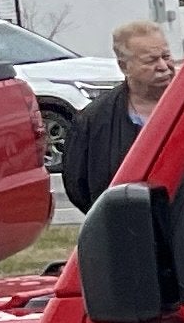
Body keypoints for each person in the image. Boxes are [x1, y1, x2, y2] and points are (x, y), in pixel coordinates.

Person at [63, 20, 175, 209]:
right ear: (124, 66)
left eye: (166, 56)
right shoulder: (95, 119)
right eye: (151, 60)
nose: (163, 66)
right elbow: (77, 184)